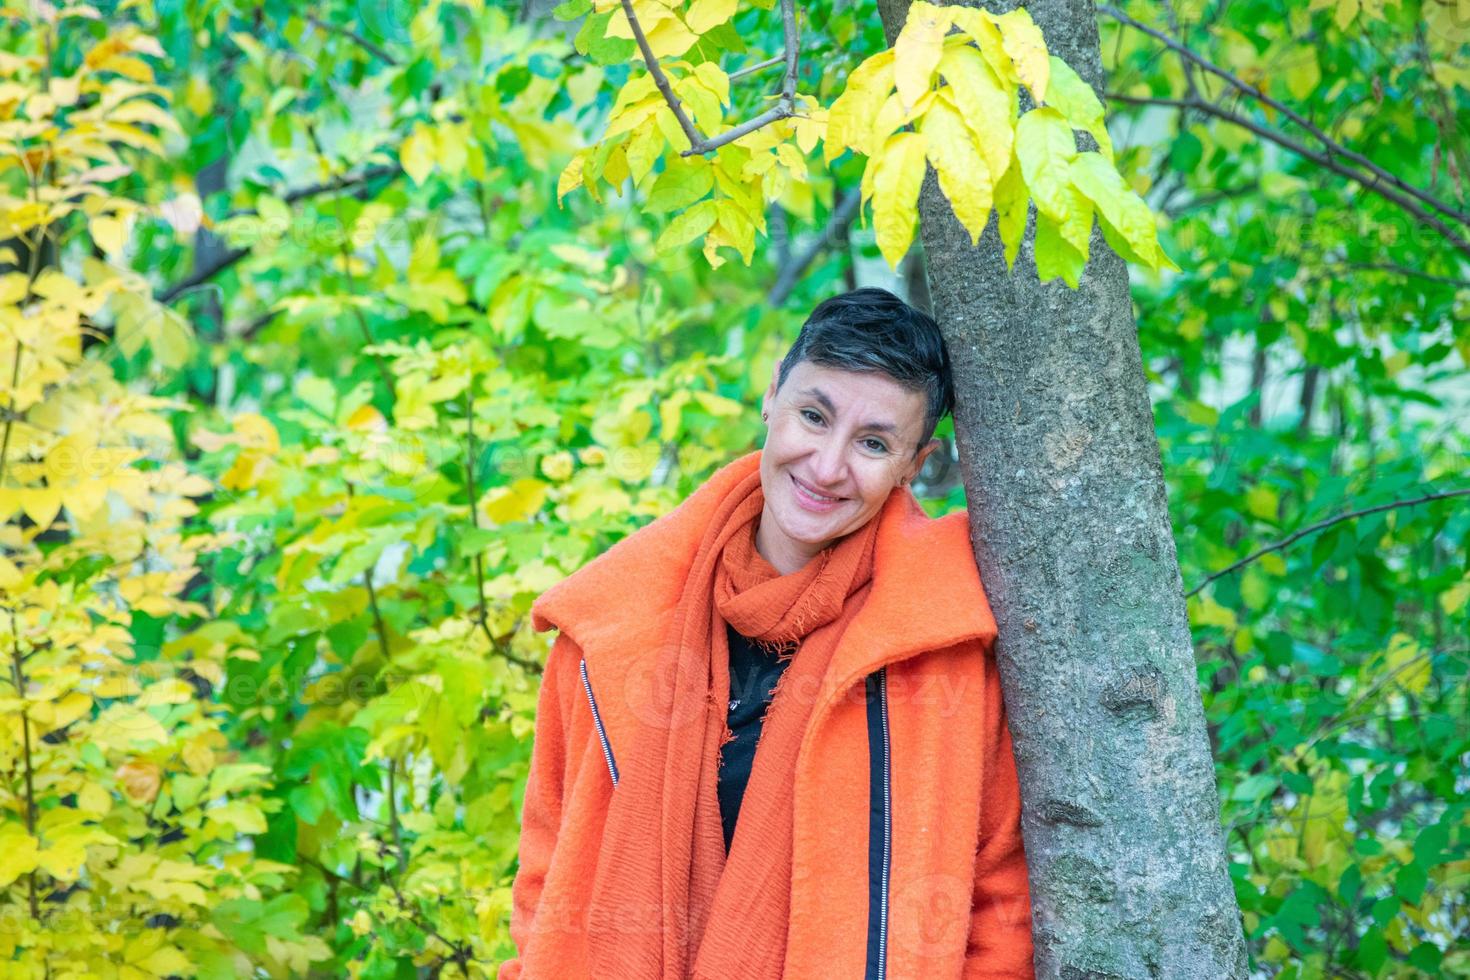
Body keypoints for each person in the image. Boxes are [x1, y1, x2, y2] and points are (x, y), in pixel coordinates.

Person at [498, 287, 1034, 979]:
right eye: (814, 416)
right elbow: (546, 876)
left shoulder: (946, 637)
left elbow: (1000, 905)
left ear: (914, 464)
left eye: (873, 443)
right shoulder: (611, 620)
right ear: (771, 397)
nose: (826, 466)